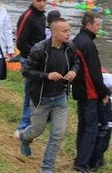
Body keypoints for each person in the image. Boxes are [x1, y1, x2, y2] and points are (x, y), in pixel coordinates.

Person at [18, 17, 80, 173]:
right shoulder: (39, 49)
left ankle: (47, 168)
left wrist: (73, 71)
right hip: (41, 99)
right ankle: (24, 138)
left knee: (58, 134)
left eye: (69, 30)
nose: (68, 34)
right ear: (54, 32)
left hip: (60, 98)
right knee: (36, 131)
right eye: (64, 31)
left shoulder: (70, 47)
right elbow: (26, 71)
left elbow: (76, 62)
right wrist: (47, 76)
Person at [72, 12, 110, 172]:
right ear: (88, 25)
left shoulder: (77, 40)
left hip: (80, 90)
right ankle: (83, 164)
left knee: (83, 126)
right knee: (91, 128)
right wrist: (104, 93)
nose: (99, 28)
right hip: (90, 93)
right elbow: (94, 74)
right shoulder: (88, 44)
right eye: (97, 25)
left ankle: (80, 159)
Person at [15, 0, 49, 135]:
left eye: (44, 1)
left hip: (40, 59)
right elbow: (20, 43)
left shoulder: (42, 16)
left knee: (41, 93)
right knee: (31, 93)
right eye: (38, 1)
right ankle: (23, 127)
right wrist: (37, 55)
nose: (42, 4)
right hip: (29, 60)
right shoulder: (27, 17)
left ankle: (38, 121)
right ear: (32, 0)